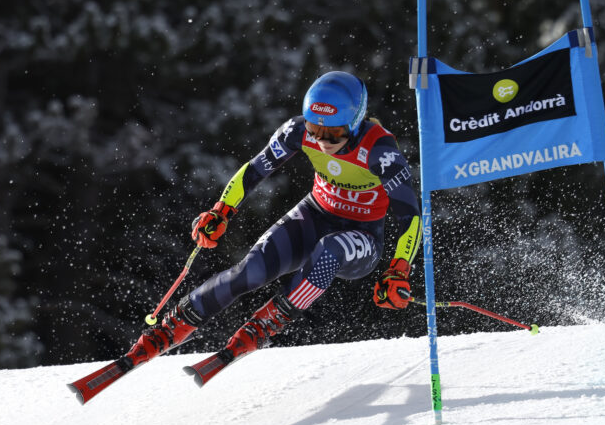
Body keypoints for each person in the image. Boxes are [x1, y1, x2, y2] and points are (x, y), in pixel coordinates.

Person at [127, 71, 421, 366]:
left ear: (356, 121)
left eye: (333, 133)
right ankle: (174, 325)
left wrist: (399, 269)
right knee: (250, 271)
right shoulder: (297, 131)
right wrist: (221, 211)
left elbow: (410, 216)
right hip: (315, 214)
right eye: (315, 129)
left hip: (362, 237)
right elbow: (255, 169)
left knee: (331, 249)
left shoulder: (380, 151)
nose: (322, 141)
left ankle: (268, 322)